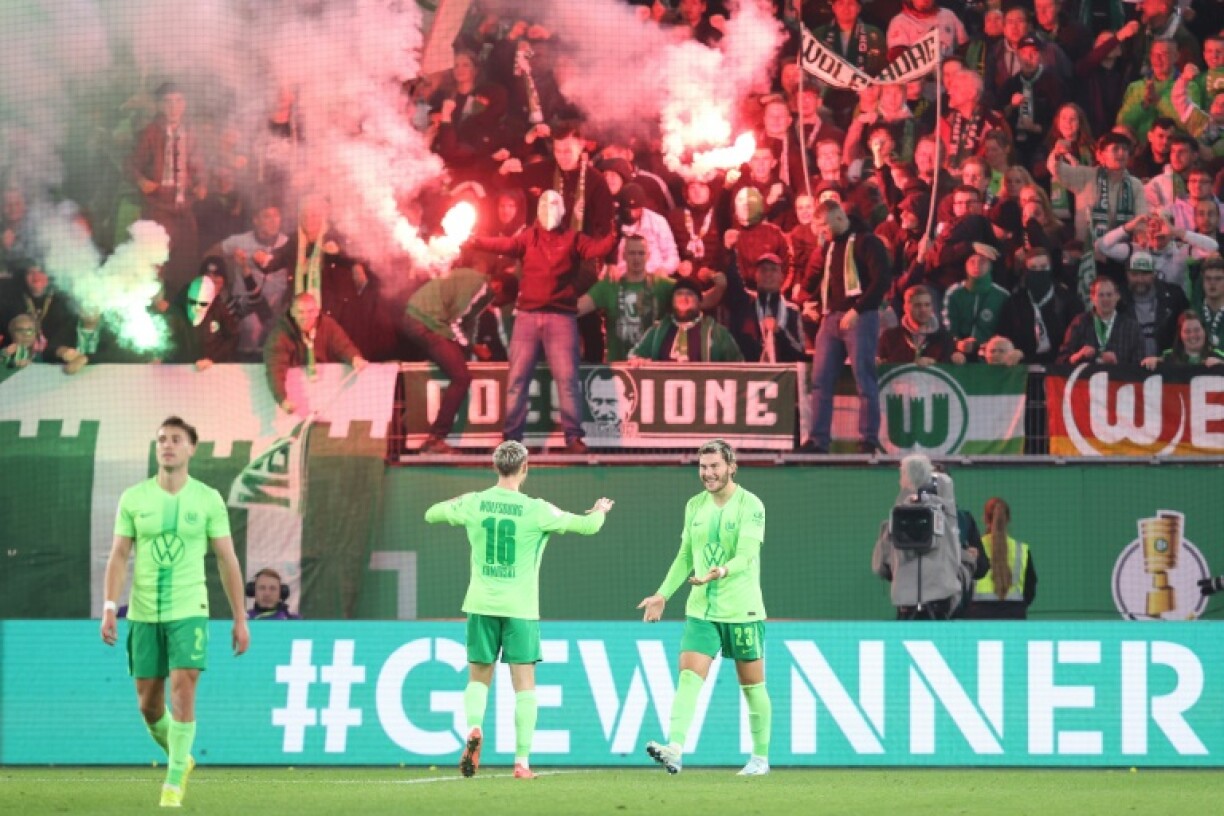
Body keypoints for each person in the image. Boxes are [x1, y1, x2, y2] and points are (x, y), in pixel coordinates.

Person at [424, 441, 614, 780]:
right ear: (525, 468)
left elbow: (432, 513)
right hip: (521, 609)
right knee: (524, 685)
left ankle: (473, 728)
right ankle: (522, 763)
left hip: (481, 604)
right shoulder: (536, 509)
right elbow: (589, 527)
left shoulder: (475, 502)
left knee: (478, 678)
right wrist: (600, 509)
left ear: (495, 467)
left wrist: (460, 506)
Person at [100, 416, 250, 808]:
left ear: (191, 448)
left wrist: (240, 618)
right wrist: (109, 607)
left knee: (184, 687)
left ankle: (171, 783)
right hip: (144, 612)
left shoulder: (208, 499)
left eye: (176, 439)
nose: (167, 445)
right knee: (149, 705)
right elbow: (118, 556)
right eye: (161, 439)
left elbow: (227, 559)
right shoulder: (134, 498)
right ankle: (181, 759)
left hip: (190, 608)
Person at [638, 439, 771, 777]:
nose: (708, 473)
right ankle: (676, 749)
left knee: (752, 686)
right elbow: (685, 557)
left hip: (742, 610)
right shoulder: (694, 505)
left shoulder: (751, 505)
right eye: (703, 467)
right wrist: (663, 594)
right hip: (701, 610)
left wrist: (721, 571)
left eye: (714, 466)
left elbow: (747, 554)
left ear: (731, 467)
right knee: (688, 677)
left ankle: (759, 759)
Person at [469, 190, 617, 452]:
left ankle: (573, 437)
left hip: (560, 317)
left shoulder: (572, 239)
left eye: (554, 204)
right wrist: (476, 241)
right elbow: (501, 245)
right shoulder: (528, 237)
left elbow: (596, 249)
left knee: (567, 380)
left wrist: (614, 234)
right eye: (545, 204)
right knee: (517, 380)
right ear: (538, 209)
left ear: (562, 210)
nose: (549, 209)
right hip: (528, 316)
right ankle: (512, 439)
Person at [801, 199, 892, 454]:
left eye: (825, 227)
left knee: (864, 378)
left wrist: (858, 308)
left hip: (859, 316)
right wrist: (807, 302)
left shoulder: (866, 242)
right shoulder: (827, 248)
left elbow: (882, 279)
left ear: (840, 218)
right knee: (820, 381)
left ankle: (868, 439)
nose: (823, 233)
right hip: (830, 317)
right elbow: (813, 280)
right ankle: (818, 439)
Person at [399, 265, 500, 453]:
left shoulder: (474, 283)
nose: (497, 305)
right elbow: (455, 322)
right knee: (461, 378)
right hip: (426, 321)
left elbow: (468, 321)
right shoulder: (480, 285)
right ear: (498, 286)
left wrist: (469, 348)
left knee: (442, 369)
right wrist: (471, 347)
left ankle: (411, 428)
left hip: (420, 318)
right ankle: (436, 439)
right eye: (501, 300)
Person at [871, 453, 973, 620]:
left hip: (906, 603)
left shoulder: (895, 519)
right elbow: (956, 558)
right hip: (942, 602)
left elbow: (879, 566)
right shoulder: (947, 516)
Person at [263, 292, 368, 414]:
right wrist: (282, 399)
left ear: (317, 311)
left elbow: (343, 345)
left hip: (325, 392)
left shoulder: (328, 325)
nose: (306, 316)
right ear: (292, 312)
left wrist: (354, 358)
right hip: (295, 394)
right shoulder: (279, 336)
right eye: (300, 312)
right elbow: (275, 369)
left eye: (310, 311)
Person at [579, 235, 675, 363]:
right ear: (623, 256)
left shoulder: (662, 285)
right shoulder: (609, 285)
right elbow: (574, 309)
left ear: (648, 255)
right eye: (632, 253)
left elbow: (697, 300)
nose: (636, 258)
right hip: (618, 368)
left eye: (641, 253)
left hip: (653, 368)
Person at [628, 278, 744, 364]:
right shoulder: (657, 330)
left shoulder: (718, 333)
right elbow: (635, 354)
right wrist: (637, 360)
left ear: (699, 302)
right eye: (679, 294)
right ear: (672, 300)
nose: (684, 298)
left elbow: (739, 366)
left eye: (690, 294)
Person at [964, 498, 1038, 619]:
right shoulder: (1022, 549)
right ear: (1008, 519)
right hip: (1014, 615)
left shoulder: (975, 548)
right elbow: (1030, 590)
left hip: (978, 615)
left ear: (985, 519)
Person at [1057, 276, 1143, 366]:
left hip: (1118, 379)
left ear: (1117, 297)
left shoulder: (1132, 328)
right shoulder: (1080, 323)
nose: (1105, 299)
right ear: (1092, 297)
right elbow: (1060, 361)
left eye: (1109, 295)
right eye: (1101, 295)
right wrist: (1077, 356)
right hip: (1086, 378)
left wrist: (1118, 364)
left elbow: (1139, 368)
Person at [877, 284, 954, 365]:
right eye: (917, 305)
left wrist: (934, 363)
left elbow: (949, 371)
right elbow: (881, 368)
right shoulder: (889, 337)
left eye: (927, 305)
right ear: (905, 308)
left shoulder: (945, 338)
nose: (923, 309)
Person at [1141, 310, 1224, 369]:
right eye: (1187, 331)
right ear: (1180, 334)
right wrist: (1151, 362)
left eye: (1197, 330)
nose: (1192, 335)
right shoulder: (1168, 357)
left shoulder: (1219, 356)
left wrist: (1221, 366)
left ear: (1204, 331)